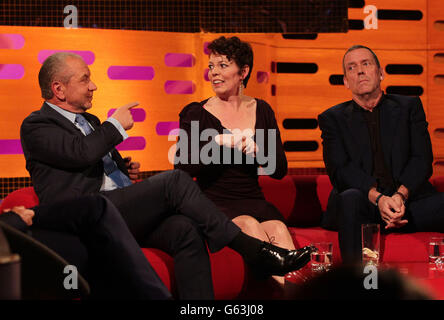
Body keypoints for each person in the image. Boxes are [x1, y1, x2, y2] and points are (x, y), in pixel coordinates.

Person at [20, 52, 314, 299]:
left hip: (116, 211)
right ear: (58, 89)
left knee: (184, 228)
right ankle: (253, 250)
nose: (93, 85)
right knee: (174, 180)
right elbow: (79, 153)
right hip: (84, 216)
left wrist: (122, 170)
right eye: (85, 79)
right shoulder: (36, 125)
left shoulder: (90, 121)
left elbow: (88, 162)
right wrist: (114, 125)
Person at [175, 36, 297, 285]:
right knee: (250, 225)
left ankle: (294, 292)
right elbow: (182, 165)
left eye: (222, 65)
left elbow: (279, 170)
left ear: (243, 72)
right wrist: (218, 142)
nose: (214, 73)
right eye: (211, 66)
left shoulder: (261, 110)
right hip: (215, 204)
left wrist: (259, 152)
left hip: (253, 199)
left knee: (278, 229)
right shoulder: (196, 113)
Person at [318, 45, 444, 264]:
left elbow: (422, 160)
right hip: (365, 206)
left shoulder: (409, 107)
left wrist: (399, 197)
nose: (360, 71)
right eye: (351, 67)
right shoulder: (332, 119)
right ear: (346, 81)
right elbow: (340, 170)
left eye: (366, 64)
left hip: (408, 203)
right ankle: (358, 285)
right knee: (349, 198)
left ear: (381, 73)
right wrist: (380, 199)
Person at [1, 195, 172, 299]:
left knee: (95, 242)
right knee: (96, 209)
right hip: (9, 237)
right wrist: (14, 219)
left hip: (10, 231)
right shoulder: (36, 133)